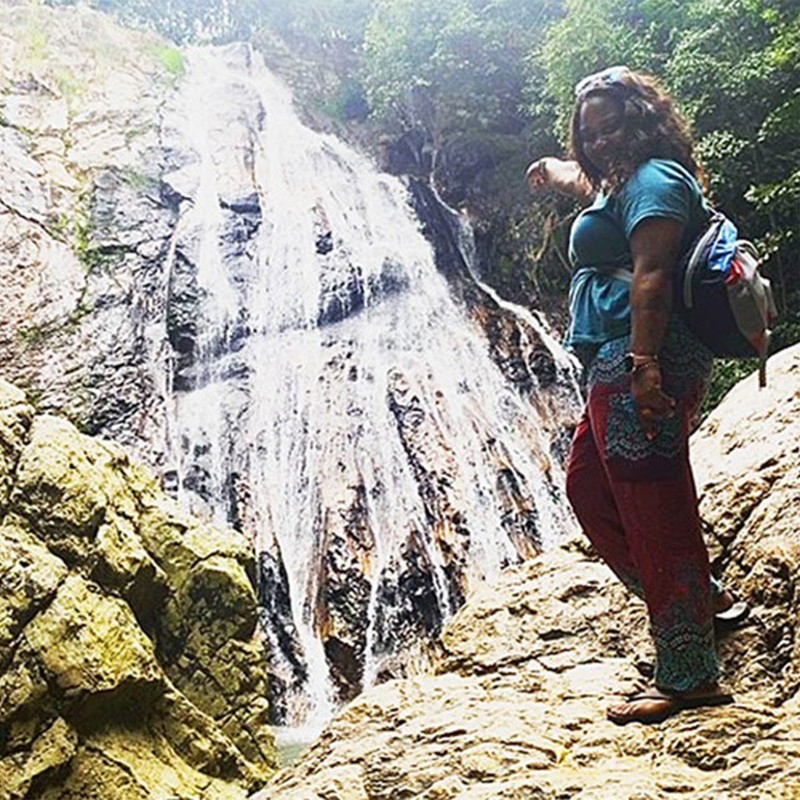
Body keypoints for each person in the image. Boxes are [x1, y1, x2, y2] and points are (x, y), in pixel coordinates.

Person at [526, 66, 747, 725]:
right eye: (587, 133)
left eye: (610, 126)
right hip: (613, 364)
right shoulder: (620, 181)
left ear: (641, 120)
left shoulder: (654, 181)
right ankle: (697, 602)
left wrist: (644, 364)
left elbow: (651, 278)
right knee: (589, 489)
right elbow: (587, 182)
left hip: (640, 360)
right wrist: (555, 169)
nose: (596, 141)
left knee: (654, 507)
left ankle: (688, 674)